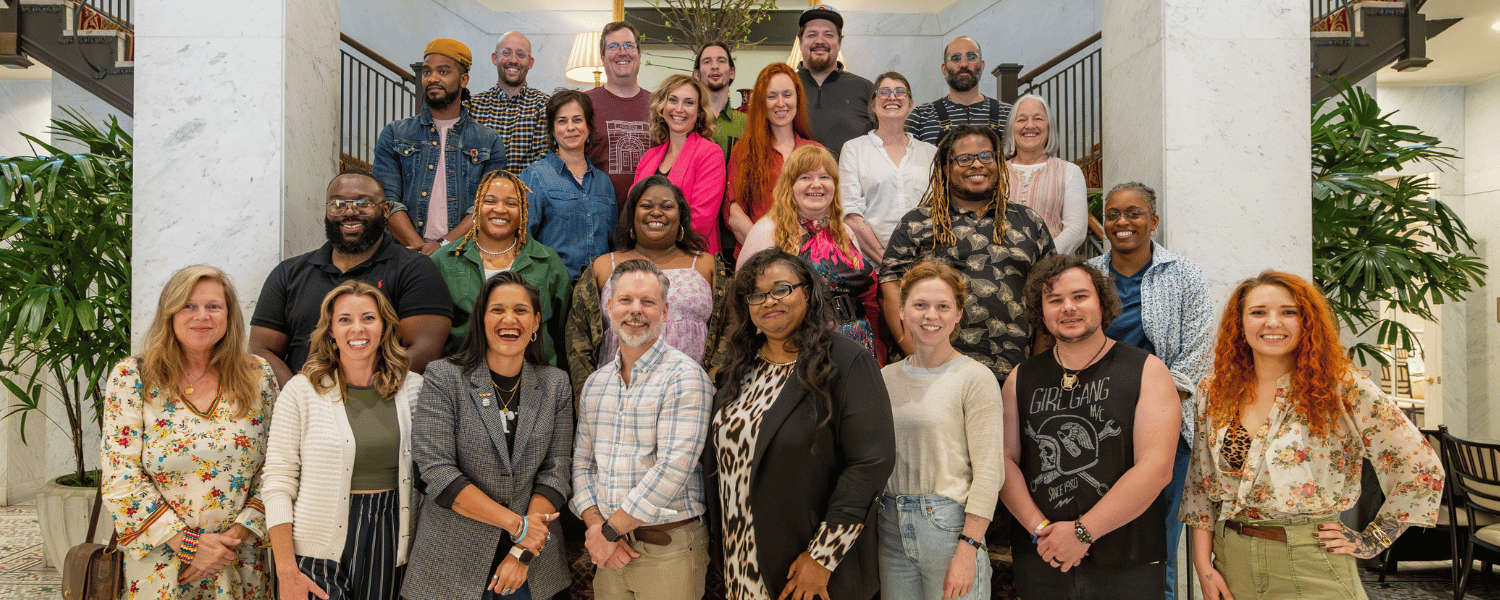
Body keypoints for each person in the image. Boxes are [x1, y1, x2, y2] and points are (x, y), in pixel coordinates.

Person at [1181, 271, 1444, 600]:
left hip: (1308, 560)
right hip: (1231, 561)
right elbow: (1201, 488)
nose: (1273, 322)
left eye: (1289, 312)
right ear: (1240, 322)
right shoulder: (1215, 390)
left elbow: (1422, 468)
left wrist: (1372, 539)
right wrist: (1204, 568)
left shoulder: (1341, 388)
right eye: (1258, 312)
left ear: (1307, 321)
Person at [706, 249, 894, 600]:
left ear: (807, 292)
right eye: (757, 295)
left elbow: (870, 463)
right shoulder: (738, 369)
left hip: (809, 570)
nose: (769, 302)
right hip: (740, 563)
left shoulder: (846, 360)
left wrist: (822, 557)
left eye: (782, 289)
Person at [999, 254, 1180, 599]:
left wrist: (1081, 534)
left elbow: (1156, 469)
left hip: (1127, 560)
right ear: (1041, 311)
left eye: (1080, 296)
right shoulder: (1021, 377)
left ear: (1102, 302)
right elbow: (1004, 461)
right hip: (1043, 557)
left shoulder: (1146, 370)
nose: (1068, 307)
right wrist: (1042, 531)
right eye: (1055, 300)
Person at [101, 265, 279, 599]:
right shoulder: (133, 376)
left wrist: (234, 537)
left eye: (214, 306)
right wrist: (190, 546)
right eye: (188, 305)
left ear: (229, 315)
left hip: (238, 557)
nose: (202, 316)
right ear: (169, 313)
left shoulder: (258, 375)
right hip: (163, 562)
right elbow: (120, 475)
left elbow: (278, 466)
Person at [404, 272, 574, 600]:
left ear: (537, 322)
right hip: (451, 564)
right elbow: (437, 471)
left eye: (521, 311)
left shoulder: (555, 384)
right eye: (497, 310)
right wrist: (518, 526)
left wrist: (522, 550)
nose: (509, 319)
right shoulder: (444, 377)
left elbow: (557, 471)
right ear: (481, 320)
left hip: (532, 566)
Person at [1085, 181, 1213, 600]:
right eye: (1113, 214)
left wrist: (1152, 407)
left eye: (1134, 213)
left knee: (1159, 545)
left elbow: (1197, 351)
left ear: (1153, 220)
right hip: (1098, 427)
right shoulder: (1088, 275)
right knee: (1100, 535)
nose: (1122, 222)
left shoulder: (1184, 273)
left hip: (1165, 429)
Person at [264, 280, 425, 600]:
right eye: (345, 319)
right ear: (330, 331)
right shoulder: (300, 391)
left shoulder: (414, 389)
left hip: (390, 538)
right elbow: (278, 480)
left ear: (384, 327)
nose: (357, 329)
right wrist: (285, 569)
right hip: (315, 547)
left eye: (368, 318)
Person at [571, 259, 714, 600]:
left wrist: (607, 530)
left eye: (647, 302)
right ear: (609, 307)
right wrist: (597, 528)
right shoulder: (596, 383)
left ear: (664, 312)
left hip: (667, 550)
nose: (635, 310)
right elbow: (581, 464)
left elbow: (673, 469)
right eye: (625, 300)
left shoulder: (686, 377)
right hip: (609, 552)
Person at [879, 124, 1054, 383]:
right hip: (932, 375)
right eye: (964, 158)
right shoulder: (917, 222)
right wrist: (919, 357)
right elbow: (890, 286)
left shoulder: (1029, 222)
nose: (977, 164)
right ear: (946, 167)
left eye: (986, 156)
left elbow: (1050, 294)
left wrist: (1035, 371)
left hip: (1012, 375)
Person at [250, 171, 451, 386]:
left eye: (363, 204)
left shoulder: (415, 269)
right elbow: (262, 350)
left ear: (384, 210)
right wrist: (302, 398)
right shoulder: (288, 273)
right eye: (337, 204)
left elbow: (424, 351)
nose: (349, 212)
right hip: (301, 406)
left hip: (381, 404)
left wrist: (359, 395)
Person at [879, 261, 1002, 600]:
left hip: (949, 531)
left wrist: (968, 550)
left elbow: (989, 473)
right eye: (919, 305)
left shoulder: (974, 378)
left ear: (958, 314)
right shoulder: (885, 379)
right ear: (902, 311)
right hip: (890, 528)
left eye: (942, 306)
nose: (930, 315)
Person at [564, 176, 726, 398]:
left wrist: (714, 385)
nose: (656, 212)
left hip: (690, 395)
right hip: (617, 395)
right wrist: (588, 394)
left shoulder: (707, 265)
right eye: (646, 206)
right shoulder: (603, 267)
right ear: (632, 216)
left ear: (681, 217)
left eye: (667, 206)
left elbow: (730, 328)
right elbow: (578, 339)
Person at [737, 145, 882, 362]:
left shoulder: (845, 232)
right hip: (799, 348)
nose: (817, 184)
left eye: (825, 176)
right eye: (805, 177)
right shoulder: (768, 230)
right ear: (790, 186)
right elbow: (745, 298)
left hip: (857, 344)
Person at [374, 38, 507, 255]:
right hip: (403, 254)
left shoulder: (488, 141)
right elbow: (385, 201)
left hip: (464, 255)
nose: (432, 78)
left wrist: (443, 246)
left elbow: (485, 206)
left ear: (463, 79)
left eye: (443, 72)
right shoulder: (395, 134)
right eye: (427, 72)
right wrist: (419, 249)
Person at [431, 170, 570, 365]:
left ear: (522, 210)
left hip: (534, 379)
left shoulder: (548, 262)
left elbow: (562, 333)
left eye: (511, 203)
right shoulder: (444, 260)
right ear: (477, 206)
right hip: (462, 379)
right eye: (490, 201)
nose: (500, 209)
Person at [839, 71, 937, 265]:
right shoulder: (853, 149)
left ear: (910, 104)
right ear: (873, 105)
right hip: (874, 267)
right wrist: (889, 264)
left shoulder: (931, 153)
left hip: (926, 266)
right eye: (884, 92)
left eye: (900, 92)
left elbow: (939, 210)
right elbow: (851, 216)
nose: (892, 96)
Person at [520, 90, 618, 280]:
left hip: (599, 289)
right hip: (554, 288)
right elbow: (523, 241)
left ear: (588, 126)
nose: (570, 127)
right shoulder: (535, 176)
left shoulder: (603, 182)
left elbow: (614, 244)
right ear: (552, 130)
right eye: (562, 121)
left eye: (577, 119)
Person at [725, 63, 821, 252]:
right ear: (761, 102)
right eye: (771, 96)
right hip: (759, 259)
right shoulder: (744, 151)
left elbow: (827, 213)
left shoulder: (815, 152)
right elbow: (734, 214)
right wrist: (770, 253)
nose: (780, 103)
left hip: (810, 261)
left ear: (798, 99)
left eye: (787, 95)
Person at [634, 74, 727, 254]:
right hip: (647, 258)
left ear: (699, 111)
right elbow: (633, 212)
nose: (679, 109)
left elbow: (699, 222)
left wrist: (656, 244)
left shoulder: (710, 154)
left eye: (689, 102)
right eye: (673, 100)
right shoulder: (648, 158)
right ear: (662, 107)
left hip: (690, 258)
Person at [1003, 93, 1087, 254]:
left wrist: (1044, 258)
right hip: (1003, 268)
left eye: (1038, 118)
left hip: (1052, 269)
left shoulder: (1069, 171)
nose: (1030, 125)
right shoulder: (996, 173)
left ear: (1049, 126)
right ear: (1011, 128)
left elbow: (1076, 229)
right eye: (1021, 119)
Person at [586, 21, 652, 208]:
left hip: (648, 218)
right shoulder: (584, 104)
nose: (622, 52)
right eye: (613, 46)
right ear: (603, 56)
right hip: (597, 218)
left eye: (629, 46)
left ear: (639, 55)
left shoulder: (660, 105)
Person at [795, 4, 873, 158]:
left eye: (828, 35)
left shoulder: (866, 89)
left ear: (840, 43)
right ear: (800, 42)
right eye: (812, 34)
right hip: (795, 181)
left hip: (852, 182)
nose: (820, 41)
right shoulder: (785, 88)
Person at [905, 37, 1012, 146]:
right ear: (944, 68)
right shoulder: (921, 117)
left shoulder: (1010, 115)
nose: (964, 64)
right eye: (955, 58)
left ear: (982, 65)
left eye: (971, 57)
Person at [468, 32, 550, 172]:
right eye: (506, 53)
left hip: (527, 193)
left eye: (521, 54)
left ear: (530, 62)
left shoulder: (545, 106)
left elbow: (544, 162)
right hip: (481, 193)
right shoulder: (472, 107)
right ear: (495, 58)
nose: (513, 60)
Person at [693, 41, 747, 158]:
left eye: (721, 61)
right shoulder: (687, 121)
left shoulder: (747, 124)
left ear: (732, 73)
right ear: (697, 75)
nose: (714, 66)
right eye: (707, 62)